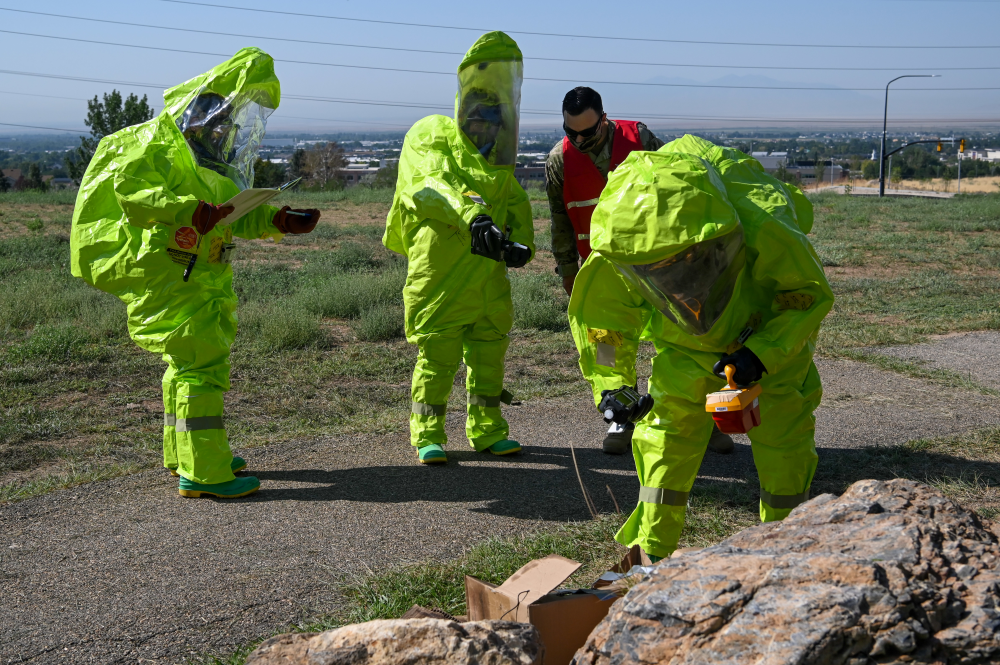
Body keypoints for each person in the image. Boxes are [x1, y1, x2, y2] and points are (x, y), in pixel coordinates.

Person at [70, 48, 320, 499]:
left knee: (184, 364)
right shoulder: (154, 146)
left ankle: (182, 453)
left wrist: (280, 220)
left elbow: (231, 215)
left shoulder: (210, 162)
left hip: (201, 274)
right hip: (171, 271)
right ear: (194, 117)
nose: (224, 130)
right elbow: (132, 194)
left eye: (228, 123)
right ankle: (206, 471)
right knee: (200, 368)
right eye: (217, 121)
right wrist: (188, 210)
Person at [568, 134, 833, 561]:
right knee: (664, 447)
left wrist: (762, 352)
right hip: (683, 350)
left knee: (783, 443)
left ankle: (787, 555)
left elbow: (803, 296)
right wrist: (612, 385)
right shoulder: (624, 242)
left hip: (763, 339)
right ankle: (651, 559)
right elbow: (604, 329)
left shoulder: (763, 222)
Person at [546, 87, 733, 456]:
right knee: (606, 345)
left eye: (588, 132)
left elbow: (682, 186)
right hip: (605, 269)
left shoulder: (640, 138)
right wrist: (569, 271)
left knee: (685, 339)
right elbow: (559, 221)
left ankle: (699, 422)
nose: (580, 140)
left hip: (662, 263)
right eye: (572, 132)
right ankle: (620, 416)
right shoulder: (559, 160)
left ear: (604, 118)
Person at [383, 31, 534, 465]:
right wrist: (473, 218)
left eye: (491, 120)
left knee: (489, 353)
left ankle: (487, 430)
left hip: (487, 277)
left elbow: (515, 201)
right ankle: (427, 433)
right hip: (443, 272)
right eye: (477, 119)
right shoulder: (433, 137)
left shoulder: (496, 162)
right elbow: (427, 187)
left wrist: (523, 244)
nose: (483, 128)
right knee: (439, 356)